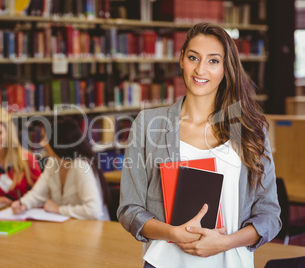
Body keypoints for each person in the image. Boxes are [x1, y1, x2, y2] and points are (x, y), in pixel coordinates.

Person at [117, 22, 281, 268]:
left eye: (213, 61)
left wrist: (226, 242)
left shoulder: (251, 130)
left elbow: (270, 215)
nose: (201, 69)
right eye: (194, 57)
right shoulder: (149, 124)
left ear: (226, 68)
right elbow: (129, 209)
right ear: (181, 59)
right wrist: (173, 233)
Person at [11, 117, 111, 221]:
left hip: (91, 230)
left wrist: (58, 209)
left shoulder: (81, 166)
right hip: (68, 228)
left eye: (45, 139)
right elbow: (37, 194)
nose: (41, 144)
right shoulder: (53, 162)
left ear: (59, 141)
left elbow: (93, 211)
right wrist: (22, 204)